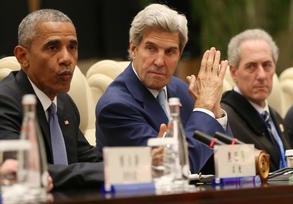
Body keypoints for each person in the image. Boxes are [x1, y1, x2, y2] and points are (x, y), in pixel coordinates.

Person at [0, 9, 103, 190]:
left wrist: (138, 163)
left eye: (72, 47)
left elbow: (88, 158)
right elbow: (25, 173)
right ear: (23, 57)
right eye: (53, 47)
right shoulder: (0, 105)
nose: (66, 59)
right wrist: (105, 171)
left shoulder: (63, 102)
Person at [95, 3, 230, 174]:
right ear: (134, 49)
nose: (159, 61)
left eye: (170, 52)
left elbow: (228, 162)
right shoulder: (115, 107)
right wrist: (203, 110)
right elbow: (178, 167)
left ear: (179, 55)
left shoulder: (182, 89)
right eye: (151, 49)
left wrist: (215, 110)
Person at [221, 29, 290, 171]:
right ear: (234, 72)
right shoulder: (224, 119)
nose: (261, 75)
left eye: (267, 65)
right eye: (251, 66)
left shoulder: (276, 117)